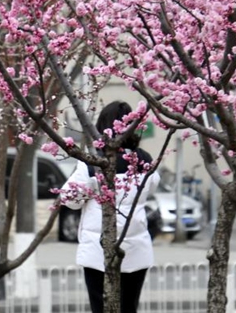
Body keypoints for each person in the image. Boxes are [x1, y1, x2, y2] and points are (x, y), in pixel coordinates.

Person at [60, 101, 161, 313]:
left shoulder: (93, 163)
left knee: (102, 307)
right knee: (128, 308)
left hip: (99, 252)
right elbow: (151, 187)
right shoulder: (144, 161)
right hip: (136, 250)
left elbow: (69, 199)